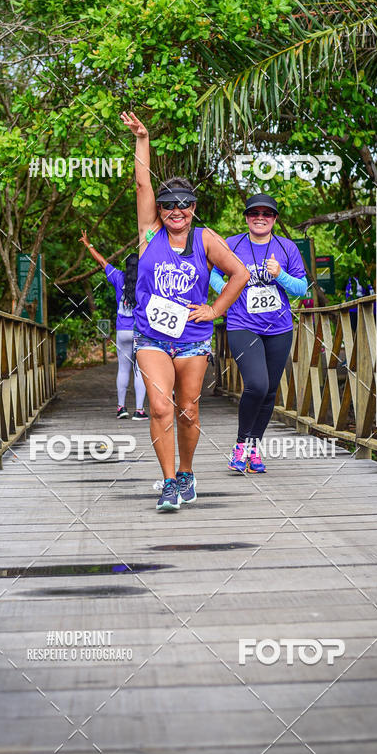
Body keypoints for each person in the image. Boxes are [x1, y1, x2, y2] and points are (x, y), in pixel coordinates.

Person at [120, 110, 250, 511]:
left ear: (193, 207)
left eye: (183, 205)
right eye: (168, 206)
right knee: (160, 406)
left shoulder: (205, 239)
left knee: (188, 410)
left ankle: (188, 470)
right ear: (159, 211)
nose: (175, 211)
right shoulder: (149, 234)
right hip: (152, 337)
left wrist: (214, 309)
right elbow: (143, 183)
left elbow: (240, 273)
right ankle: (169, 481)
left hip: (193, 339)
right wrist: (142, 138)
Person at [211, 193, 308, 473]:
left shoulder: (287, 247)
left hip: (279, 328)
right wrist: (230, 292)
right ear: (247, 217)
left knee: (269, 392)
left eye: (267, 214)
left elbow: (301, 290)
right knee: (256, 384)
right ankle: (240, 444)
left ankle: (254, 449)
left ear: (275, 219)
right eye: (255, 213)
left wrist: (280, 275)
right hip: (243, 325)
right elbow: (214, 274)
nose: (260, 218)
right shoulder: (232, 244)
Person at [78, 231, 148, 420]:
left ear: (127, 266)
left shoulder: (118, 277)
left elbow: (102, 262)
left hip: (122, 331)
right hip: (139, 331)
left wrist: (88, 244)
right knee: (139, 371)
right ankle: (139, 411)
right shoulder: (144, 282)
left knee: (123, 369)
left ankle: (121, 408)